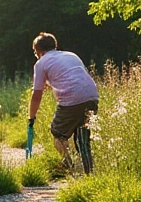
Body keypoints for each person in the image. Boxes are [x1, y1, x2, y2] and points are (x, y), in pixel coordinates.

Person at [27, 32, 98, 169]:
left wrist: (31, 117)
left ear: (38, 50)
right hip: (92, 96)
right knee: (82, 138)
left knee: (58, 134)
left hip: (71, 99)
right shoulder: (71, 55)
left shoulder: (40, 63)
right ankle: (89, 174)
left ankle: (71, 168)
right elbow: (73, 77)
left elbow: (36, 94)